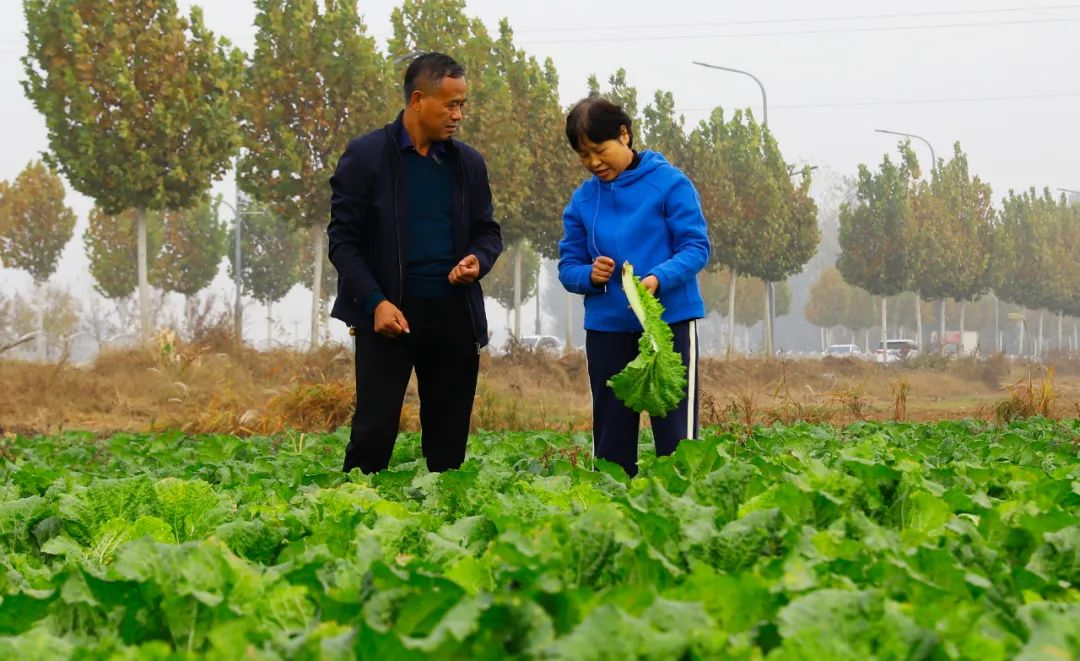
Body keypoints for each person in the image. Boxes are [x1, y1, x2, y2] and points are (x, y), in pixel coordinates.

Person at [327, 52, 502, 474]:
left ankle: (441, 527)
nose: (459, 115)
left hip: (453, 315)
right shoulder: (367, 157)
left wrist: (478, 260)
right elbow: (343, 242)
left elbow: (488, 231)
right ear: (418, 99)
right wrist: (374, 302)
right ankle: (355, 519)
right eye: (451, 104)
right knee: (372, 433)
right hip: (390, 315)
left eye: (463, 104)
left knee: (448, 443)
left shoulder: (468, 164)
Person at [558, 95, 710, 477]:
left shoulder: (669, 183)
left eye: (599, 150)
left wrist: (658, 278)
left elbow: (695, 248)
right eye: (583, 156)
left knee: (677, 439)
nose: (593, 163)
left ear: (624, 135)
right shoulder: (582, 200)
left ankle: (681, 510)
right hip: (608, 328)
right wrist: (588, 276)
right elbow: (568, 266)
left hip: (668, 324)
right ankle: (614, 513)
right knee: (611, 440)